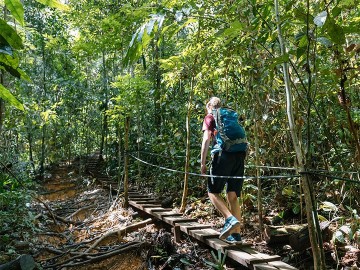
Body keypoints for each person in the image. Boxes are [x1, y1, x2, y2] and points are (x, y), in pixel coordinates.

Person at [200, 97, 246, 244]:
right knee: (232, 195)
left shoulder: (210, 117)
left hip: (223, 155)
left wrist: (202, 163)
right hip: (239, 156)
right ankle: (236, 235)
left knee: (212, 191)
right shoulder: (229, 115)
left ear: (209, 107)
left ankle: (230, 219)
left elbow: (206, 139)